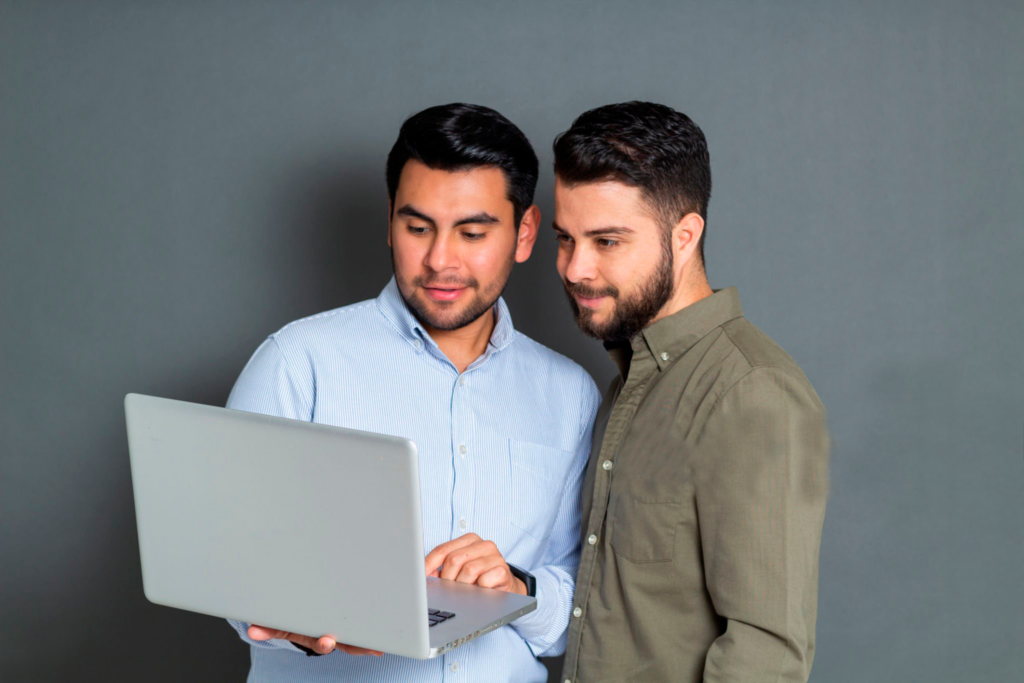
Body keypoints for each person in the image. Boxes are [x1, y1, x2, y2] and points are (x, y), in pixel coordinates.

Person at [225, 103, 600, 682]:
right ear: (390, 221)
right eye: (417, 228)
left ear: (524, 233)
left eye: (472, 232)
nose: (439, 260)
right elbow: (229, 565)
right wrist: (291, 621)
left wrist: (519, 587)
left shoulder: (570, 394)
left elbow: (581, 600)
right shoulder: (298, 362)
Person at [552, 101, 829, 683]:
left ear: (685, 235)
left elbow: (766, 655)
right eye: (566, 239)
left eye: (607, 241)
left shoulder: (752, 392)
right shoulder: (628, 382)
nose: (575, 268)